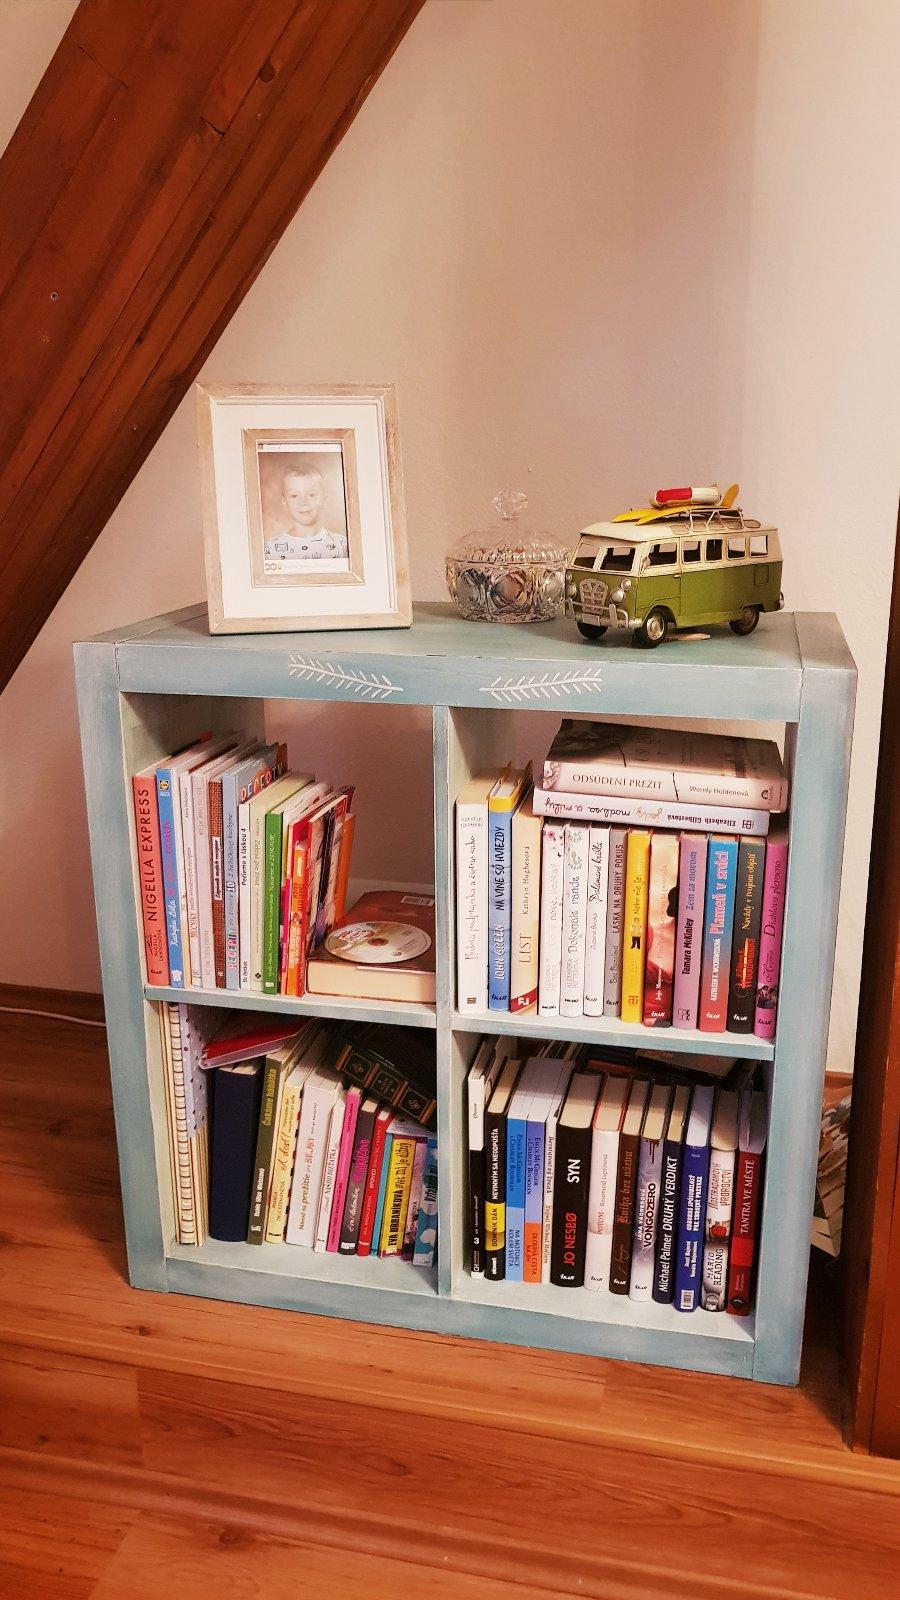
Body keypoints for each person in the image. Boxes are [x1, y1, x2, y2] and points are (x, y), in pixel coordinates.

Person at [264, 464, 349, 561]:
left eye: (311, 495)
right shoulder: (270, 549)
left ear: (324, 500)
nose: (303, 502)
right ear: (284, 503)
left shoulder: (342, 546)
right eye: (294, 496)